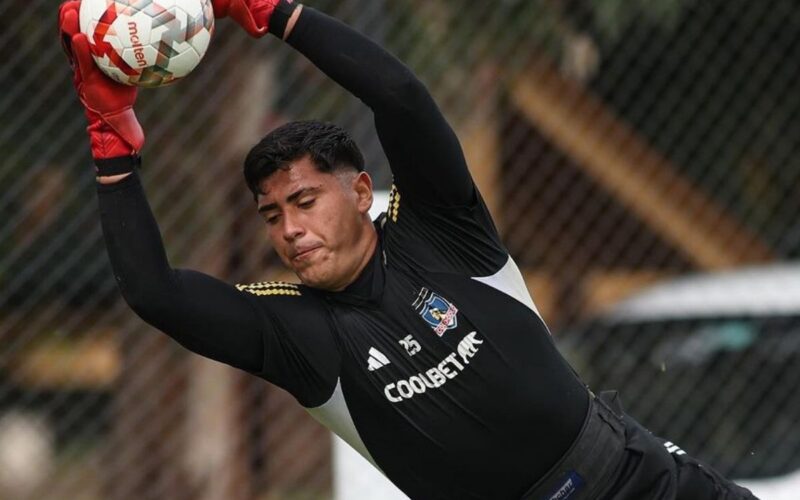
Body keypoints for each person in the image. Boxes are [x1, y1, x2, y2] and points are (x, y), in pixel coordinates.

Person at [58, 1, 758, 498]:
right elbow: (156, 292)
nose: (290, 229)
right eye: (272, 215)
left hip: (637, 475)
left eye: (305, 202)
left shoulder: (444, 232)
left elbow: (401, 98)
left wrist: (277, 14)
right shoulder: (299, 332)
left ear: (361, 191)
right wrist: (110, 141)